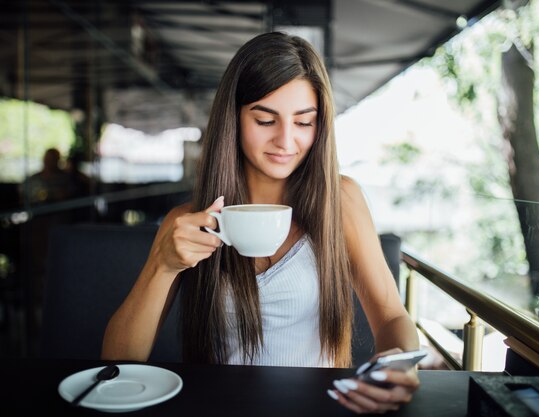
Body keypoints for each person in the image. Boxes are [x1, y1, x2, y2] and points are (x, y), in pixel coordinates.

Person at [102, 32, 420, 414]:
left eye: (304, 122)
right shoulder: (188, 221)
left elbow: (390, 315)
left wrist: (400, 368)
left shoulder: (340, 202)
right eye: (266, 119)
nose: (286, 140)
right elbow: (117, 362)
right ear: (233, 117)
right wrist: (162, 266)